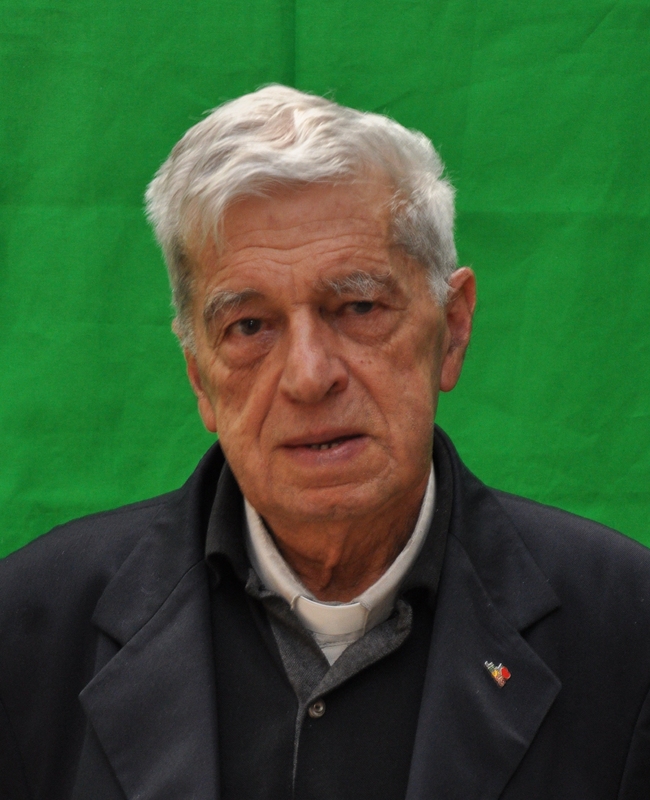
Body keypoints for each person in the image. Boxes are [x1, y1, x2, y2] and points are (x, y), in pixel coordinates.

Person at [1, 85, 649, 800]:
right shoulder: (26, 633)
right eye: (250, 327)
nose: (309, 377)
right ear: (199, 375)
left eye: (359, 306)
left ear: (453, 328)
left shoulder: (628, 633)